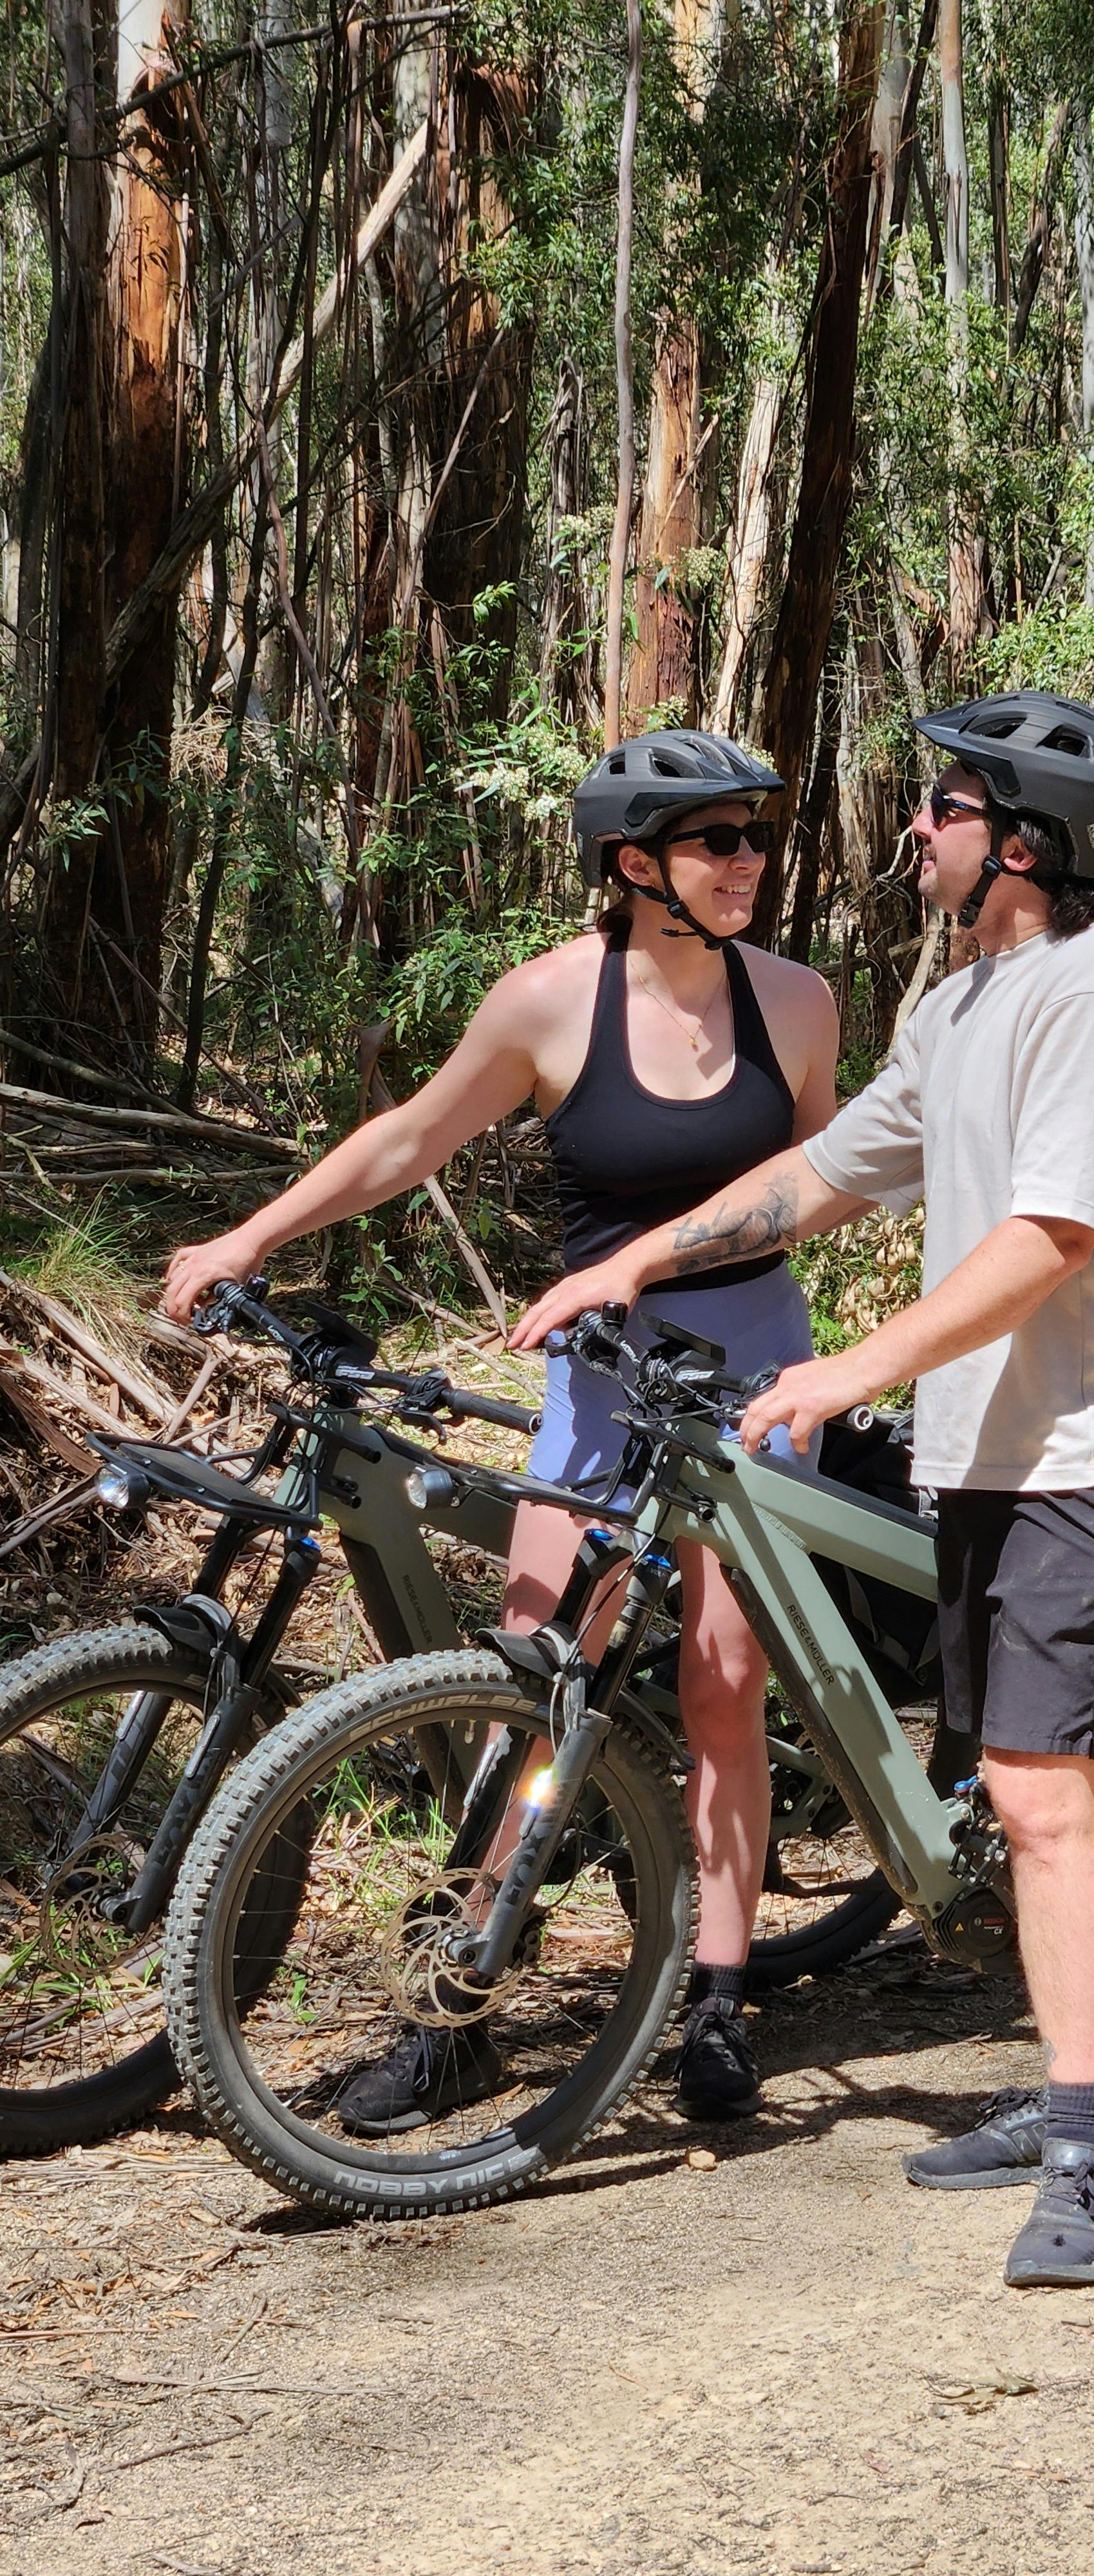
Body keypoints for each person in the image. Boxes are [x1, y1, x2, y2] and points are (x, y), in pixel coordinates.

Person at [514, 690, 1094, 2287]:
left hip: (1085, 1446)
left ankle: (1089, 2146)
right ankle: (1066, 2086)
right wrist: (637, 1258)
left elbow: (1052, 1238)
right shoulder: (961, 1000)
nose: (913, 831)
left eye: (944, 810)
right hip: (986, 1449)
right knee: (1024, 1785)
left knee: (1041, 1790)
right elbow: (821, 1173)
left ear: (1021, 841)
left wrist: (847, 1368)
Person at [162, 728, 840, 2131]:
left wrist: (673, 1261)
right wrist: (252, 1232)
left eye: (756, 838)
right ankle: (457, 2003)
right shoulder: (547, 1005)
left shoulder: (797, 1001)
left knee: (723, 1683)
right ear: (636, 864)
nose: (750, 864)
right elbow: (407, 1140)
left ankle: (717, 1997)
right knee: (534, 1666)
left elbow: (824, 1179)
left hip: (756, 1363)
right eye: (721, 841)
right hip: (600, 1375)